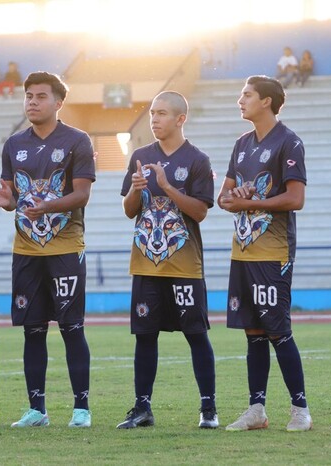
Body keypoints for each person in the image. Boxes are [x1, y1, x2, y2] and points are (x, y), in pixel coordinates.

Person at [0, 71, 95, 428]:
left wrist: (44, 207)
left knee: (71, 327)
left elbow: (82, 195)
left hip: (65, 248)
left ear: (58, 102)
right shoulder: (14, 144)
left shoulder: (78, 140)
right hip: (27, 251)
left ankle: (81, 408)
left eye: (40, 96)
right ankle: (37, 410)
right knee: (32, 329)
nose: (32, 102)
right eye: (28, 96)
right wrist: (7, 202)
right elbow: (16, 197)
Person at [116, 91, 219, 430]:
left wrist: (166, 186)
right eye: (151, 113)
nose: (154, 119)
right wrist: (135, 188)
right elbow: (130, 210)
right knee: (145, 337)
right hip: (145, 264)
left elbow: (200, 211)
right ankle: (142, 408)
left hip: (185, 267)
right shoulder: (141, 156)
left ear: (180, 119)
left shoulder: (197, 160)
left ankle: (208, 410)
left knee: (196, 334)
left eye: (161, 113)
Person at [217, 76, 312, 432]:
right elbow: (224, 198)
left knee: (278, 330)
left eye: (247, 94)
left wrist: (249, 201)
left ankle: (300, 409)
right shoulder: (241, 144)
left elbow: (295, 199)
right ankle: (256, 409)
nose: (240, 99)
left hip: (274, 250)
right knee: (252, 331)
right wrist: (236, 197)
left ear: (267, 101)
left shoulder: (289, 142)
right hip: (242, 251)